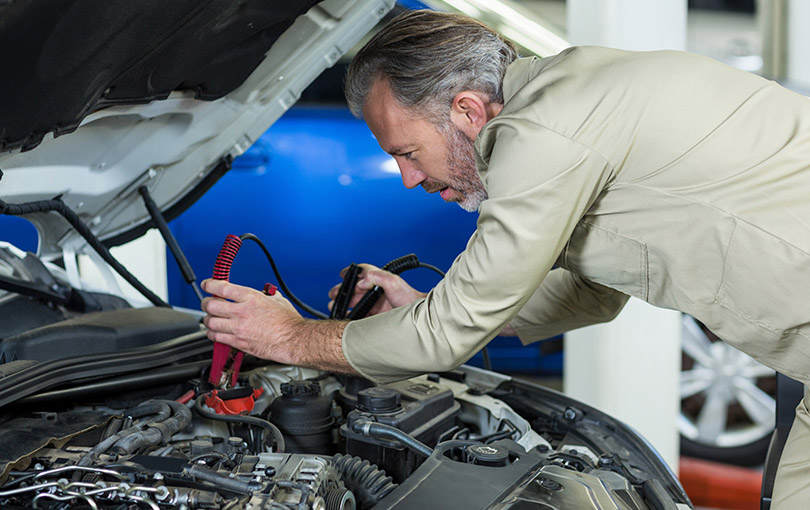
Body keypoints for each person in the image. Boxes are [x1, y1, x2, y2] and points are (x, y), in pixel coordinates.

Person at [201, 10, 810, 507]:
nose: (408, 179)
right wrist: (418, 308)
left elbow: (449, 333)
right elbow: (593, 289)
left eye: (408, 151)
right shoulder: (570, 96)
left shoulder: (545, 132)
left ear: (467, 110)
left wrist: (292, 339)